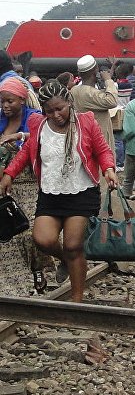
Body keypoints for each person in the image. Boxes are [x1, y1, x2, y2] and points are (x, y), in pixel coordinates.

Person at [0, 80, 118, 302]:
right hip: (51, 193)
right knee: (42, 239)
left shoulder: (86, 122)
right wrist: (10, 174)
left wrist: (109, 169)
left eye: (60, 108)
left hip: (81, 192)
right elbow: (26, 152)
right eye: (49, 111)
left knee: (74, 245)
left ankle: (77, 300)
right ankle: (66, 259)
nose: (55, 115)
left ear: (69, 103)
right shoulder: (38, 124)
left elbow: (102, 150)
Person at [0, 76, 53, 292]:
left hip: (31, 183)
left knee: (31, 231)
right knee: (9, 233)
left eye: (9, 101)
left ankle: (39, 269)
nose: (5, 106)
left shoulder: (35, 118)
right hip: (6, 183)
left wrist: (19, 135)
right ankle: (16, 280)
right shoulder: (0, 119)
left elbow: (45, 136)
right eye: (2, 101)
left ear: (21, 99)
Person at [70, 55, 118, 155]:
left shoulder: (75, 90)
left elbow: (99, 95)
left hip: (84, 141)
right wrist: (108, 80)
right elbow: (112, 101)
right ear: (95, 71)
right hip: (99, 146)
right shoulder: (90, 93)